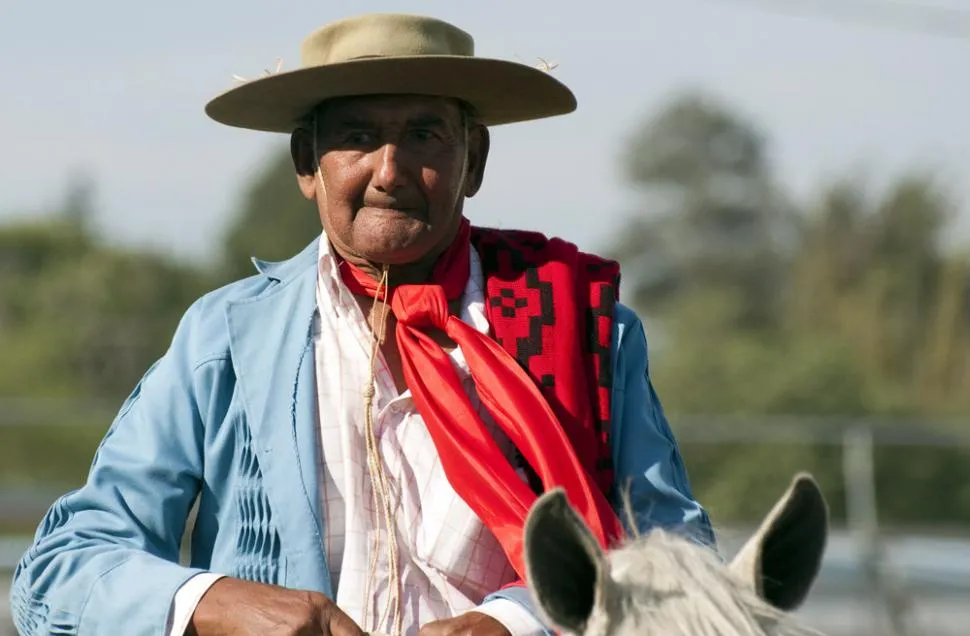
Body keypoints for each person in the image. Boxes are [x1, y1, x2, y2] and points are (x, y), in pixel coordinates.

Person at [9, 12, 714, 636]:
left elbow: (680, 558)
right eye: (356, 136)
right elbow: (60, 571)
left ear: (475, 160)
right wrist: (215, 602)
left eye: (424, 134)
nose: (389, 170)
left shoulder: (579, 331)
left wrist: (516, 622)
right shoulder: (227, 338)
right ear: (306, 165)